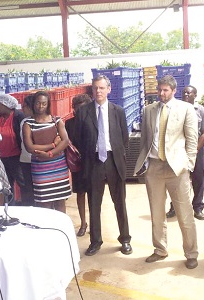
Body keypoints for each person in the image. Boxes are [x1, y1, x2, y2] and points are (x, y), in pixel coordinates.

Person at [134, 75, 199, 269]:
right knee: (156, 212)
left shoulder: (186, 109)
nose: (161, 94)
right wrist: (145, 164)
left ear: (173, 91)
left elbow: (192, 140)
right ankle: (160, 249)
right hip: (154, 167)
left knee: (184, 213)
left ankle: (191, 252)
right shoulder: (149, 110)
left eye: (165, 90)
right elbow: (145, 140)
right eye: (159, 90)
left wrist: (189, 165)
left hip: (176, 168)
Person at [75, 75, 132, 256]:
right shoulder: (84, 112)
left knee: (119, 203)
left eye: (101, 88)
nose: (98, 91)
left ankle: (125, 239)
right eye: (95, 88)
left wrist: (116, 154)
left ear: (109, 89)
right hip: (93, 162)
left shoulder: (118, 111)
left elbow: (124, 138)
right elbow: (78, 138)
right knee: (94, 203)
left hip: (113, 161)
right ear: (92, 90)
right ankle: (95, 241)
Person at [166, 85, 204, 220]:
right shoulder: (175, 110)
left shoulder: (201, 111)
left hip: (196, 150)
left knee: (198, 179)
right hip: (178, 150)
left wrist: (195, 150)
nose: (186, 95)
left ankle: (197, 207)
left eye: (189, 93)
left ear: (195, 95)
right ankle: (174, 206)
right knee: (176, 179)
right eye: (184, 92)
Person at [23, 90, 71, 212]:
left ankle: (61, 228)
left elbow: (65, 141)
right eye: (38, 103)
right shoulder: (28, 124)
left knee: (60, 201)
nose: (41, 106)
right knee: (44, 202)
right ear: (33, 104)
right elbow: (29, 147)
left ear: (48, 104)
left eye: (44, 104)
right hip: (41, 169)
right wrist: (53, 144)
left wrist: (50, 153)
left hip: (58, 167)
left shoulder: (56, 120)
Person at [0, 94, 28, 204]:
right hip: (0, 159)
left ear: (6, 105)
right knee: (6, 186)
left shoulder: (18, 117)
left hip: (16, 158)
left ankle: (28, 205)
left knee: (23, 183)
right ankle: (10, 208)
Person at [65, 93, 92, 236]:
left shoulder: (94, 120)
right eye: (77, 108)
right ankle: (83, 223)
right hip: (77, 164)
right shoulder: (69, 124)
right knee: (80, 194)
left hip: (93, 164)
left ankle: (94, 223)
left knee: (94, 195)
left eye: (83, 108)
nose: (80, 111)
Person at [19, 95, 35, 206]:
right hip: (26, 160)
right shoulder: (24, 121)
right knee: (29, 189)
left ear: (30, 107)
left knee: (29, 189)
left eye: (24, 106)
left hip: (33, 160)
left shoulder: (26, 122)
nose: (22, 109)